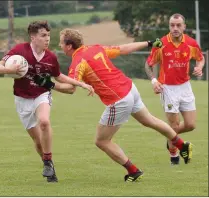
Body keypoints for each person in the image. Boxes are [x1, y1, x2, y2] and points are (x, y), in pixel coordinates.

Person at [34, 28, 193, 182]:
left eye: (61, 43)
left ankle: (133, 170)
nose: (60, 46)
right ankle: (181, 145)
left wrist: (48, 84)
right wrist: (149, 42)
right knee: (149, 120)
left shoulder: (78, 61)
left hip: (119, 100)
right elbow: (123, 49)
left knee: (101, 141)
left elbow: (71, 89)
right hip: (130, 88)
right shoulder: (96, 48)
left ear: (69, 46)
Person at [0, 21, 94, 183]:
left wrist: (80, 83)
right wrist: (9, 70)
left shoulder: (51, 57)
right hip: (21, 99)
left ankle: (47, 160)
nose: (47, 39)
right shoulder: (19, 51)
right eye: (43, 35)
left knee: (45, 122)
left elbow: (59, 76)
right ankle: (48, 164)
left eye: (48, 35)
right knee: (38, 141)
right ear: (33, 37)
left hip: (41, 95)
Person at [145, 13, 205, 165]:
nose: (175, 28)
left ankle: (170, 137)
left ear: (184, 27)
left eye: (178, 25)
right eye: (172, 25)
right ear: (169, 26)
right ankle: (174, 157)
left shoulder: (191, 43)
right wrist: (154, 81)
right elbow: (148, 64)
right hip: (168, 89)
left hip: (185, 87)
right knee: (174, 125)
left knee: (191, 125)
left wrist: (199, 67)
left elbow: (200, 58)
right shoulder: (162, 44)